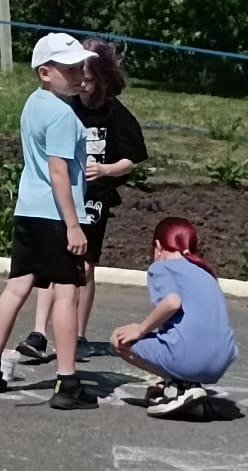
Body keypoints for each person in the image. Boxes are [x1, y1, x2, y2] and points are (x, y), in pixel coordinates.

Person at [0, 33, 100, 409]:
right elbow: (59, 172)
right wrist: (74, 225)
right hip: (57, 215)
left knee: (17, 286)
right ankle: (66, 381)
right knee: (66, 293)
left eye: (81, 67)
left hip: (29, 209)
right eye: (70, 68)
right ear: (45, 72)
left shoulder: (35, 104)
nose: (79, 74)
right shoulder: (63, 114)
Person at [17, 37, 149, 362]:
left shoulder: (116, 115)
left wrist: (105, 169)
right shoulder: (64, 106)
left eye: (87, 78)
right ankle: (39, 333)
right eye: (77, 75)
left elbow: (132, 158)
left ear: (102, 79)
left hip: (94, 198)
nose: (81, 84)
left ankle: (77, 333)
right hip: (59, 200)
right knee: (53, 263)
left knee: (84, 267)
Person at [110, 218, 238, 417]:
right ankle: (186, 384)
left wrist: (141, 328)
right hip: (221, 361)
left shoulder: (161, 268)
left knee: (119, 339)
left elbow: (172, 302)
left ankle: (179, 385)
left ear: (158, 246)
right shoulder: (206, 273)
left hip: (190, 358)